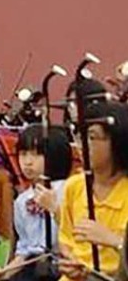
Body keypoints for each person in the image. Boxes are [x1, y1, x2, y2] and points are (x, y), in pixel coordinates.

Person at [58, 101, 128, 279]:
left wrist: (115, 241)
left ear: (117, 142)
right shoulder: (74, 186)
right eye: (80, 136)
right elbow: (66, 240)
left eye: (91, 137)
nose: (82, 144)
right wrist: (70, 261)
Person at [4, 125, 73, 281]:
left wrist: (55, 209)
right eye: (23, 154)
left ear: (56, 155)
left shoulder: (69, 191)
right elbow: (25, 250)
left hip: (63, 267)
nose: (27, 162)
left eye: (36, 155)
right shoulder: (22, 200)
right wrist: (5, 272)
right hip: (33, 269)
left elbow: (76, 235)